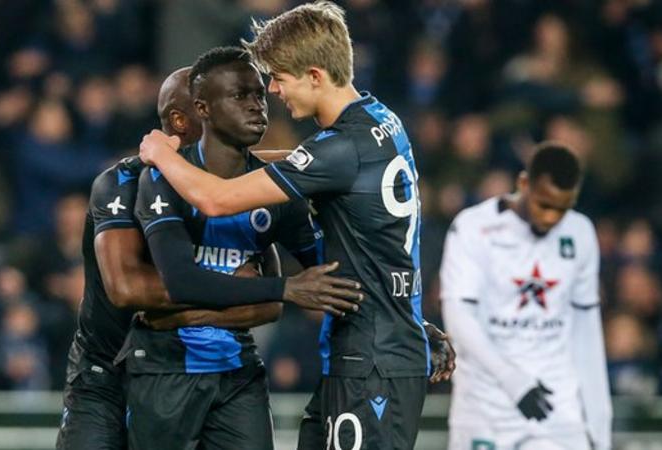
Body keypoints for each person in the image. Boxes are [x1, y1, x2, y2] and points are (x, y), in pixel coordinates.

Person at [136, 3, 455, 448]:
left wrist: (161, 154)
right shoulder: (382, 121)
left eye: (280, 78)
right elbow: (307, 169)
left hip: (372, 362)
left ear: (315, 76)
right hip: (369, 349)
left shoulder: (338, 149)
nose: (273, 90)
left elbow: (216, 199)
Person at [55, 67, 352, 450]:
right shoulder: (122, 183)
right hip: (104, 371)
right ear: (184, 119)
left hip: (205, 367)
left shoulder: (242, 189)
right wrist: (230, 290)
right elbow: (127, 290)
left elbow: (268, 303)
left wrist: (186, 307)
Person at [439, 142, 612, 450]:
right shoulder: (473, 227)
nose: (551, 218)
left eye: (562, 209)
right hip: (486, 405)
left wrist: (600, 423)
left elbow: (586, 331)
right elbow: (458, 316)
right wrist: (513, 380)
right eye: (544, 205)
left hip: (556, 407)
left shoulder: (580, 233)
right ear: (523, 184)